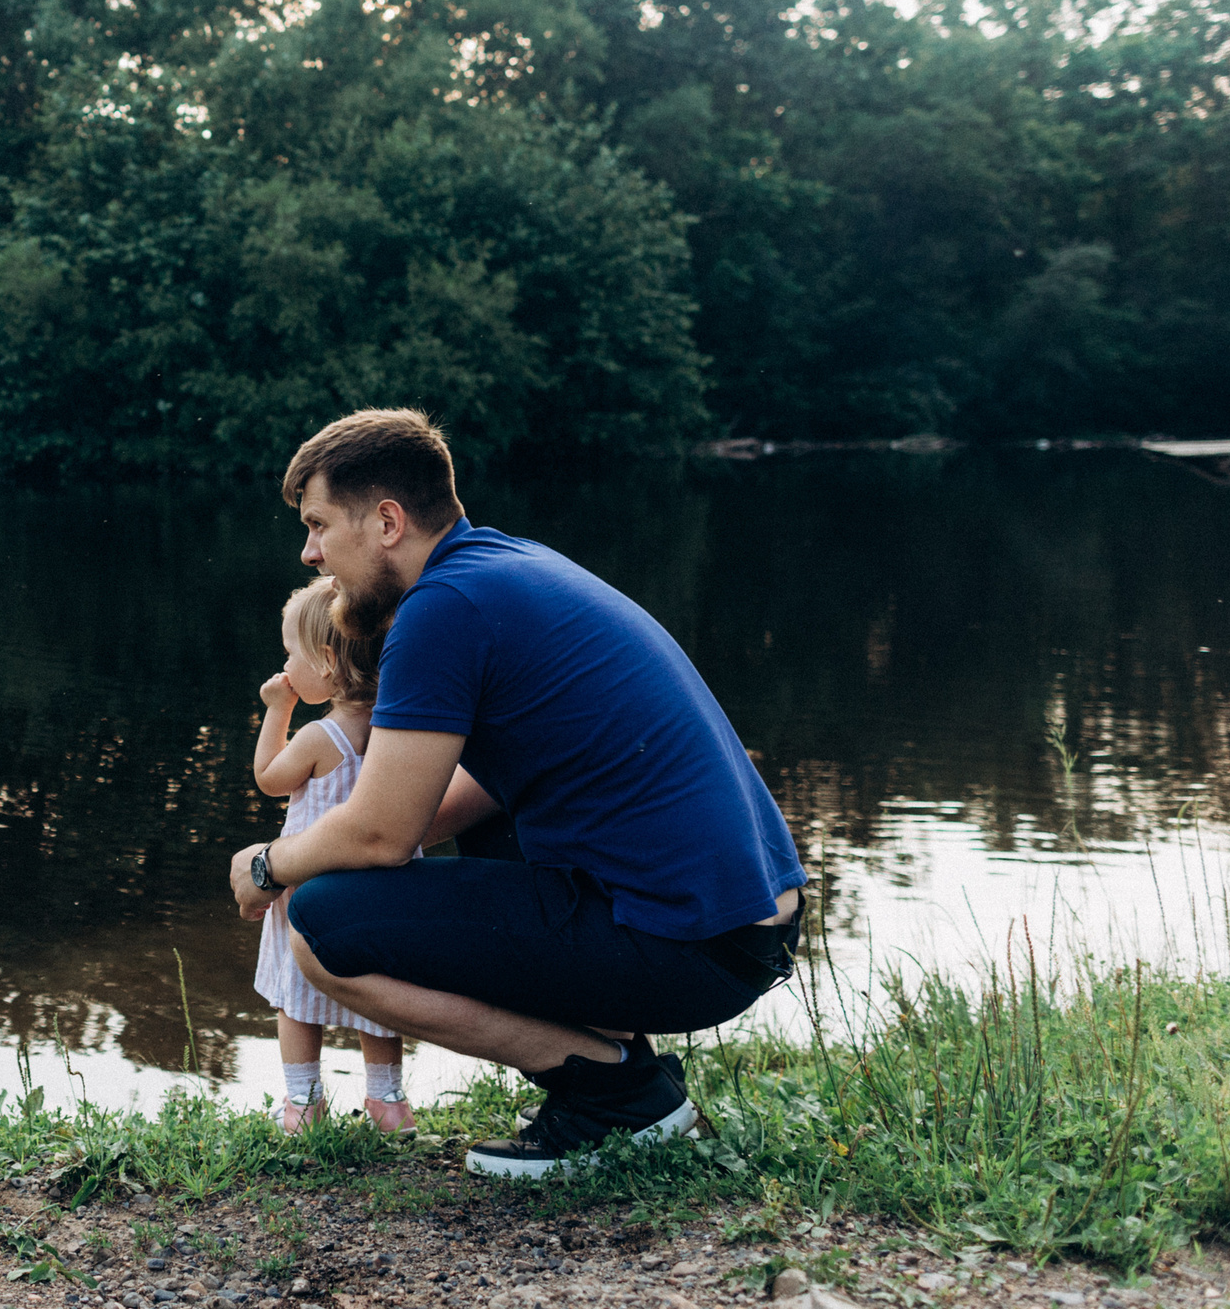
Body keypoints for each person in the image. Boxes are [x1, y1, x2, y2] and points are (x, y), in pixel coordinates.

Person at [227, 408, 806, 1179]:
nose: (311, 554)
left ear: (388, 521)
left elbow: (381, 835)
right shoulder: (501, 565)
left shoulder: (440, 611)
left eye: (319, 525)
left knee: (323, 923)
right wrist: (358, 843)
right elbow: (444, 804)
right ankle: (622, 1067)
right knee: (461, 838)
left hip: (694, 945)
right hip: (742, 926)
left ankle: (616, 1093)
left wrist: (271, 863)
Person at [249, 576, 418, 1135]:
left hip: (310, 882)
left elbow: (270, 780)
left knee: (293, 995)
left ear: (324, 661)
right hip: (385, 882)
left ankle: (303, 1103)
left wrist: (279, 707)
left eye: (290, 653)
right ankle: (388, 1101)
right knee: (378, 994)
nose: (285, 664)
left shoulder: (322, 737)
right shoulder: (396, 725)